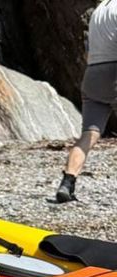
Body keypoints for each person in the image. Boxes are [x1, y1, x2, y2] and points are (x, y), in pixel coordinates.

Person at [55, 0, 117, 203]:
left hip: (93, 74)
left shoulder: (99, 11)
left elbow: (88, 51)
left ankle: (67, 182)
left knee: (90, 133)